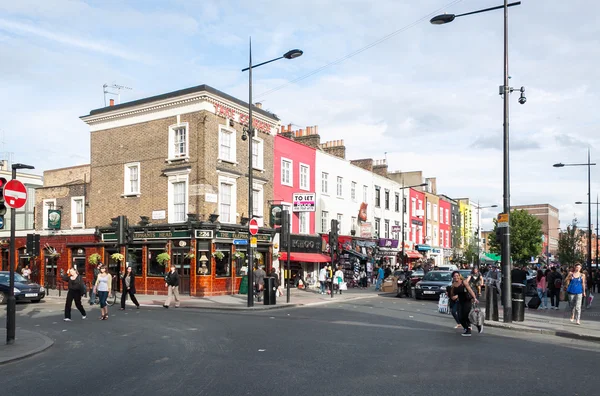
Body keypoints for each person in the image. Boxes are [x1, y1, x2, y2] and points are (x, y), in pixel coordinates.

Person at [449, 270, 481, 336]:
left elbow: (470, 290)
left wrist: (475, 298)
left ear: (459, 276)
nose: (456, 277)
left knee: (466, 316)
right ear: (453, 277)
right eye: (454, 276)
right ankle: (467, 329)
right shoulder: (453, 285)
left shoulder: (464, 282)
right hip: (460, 301)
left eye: (457, 276)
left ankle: (475, 326)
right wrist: (453, 297)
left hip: (467, 301)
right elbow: (451, 294)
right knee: (460, 317)